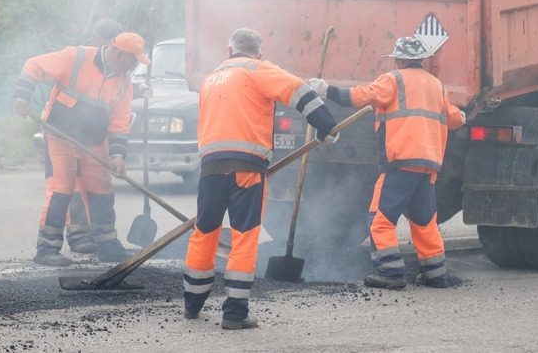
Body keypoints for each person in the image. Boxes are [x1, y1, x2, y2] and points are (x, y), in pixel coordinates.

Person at [182, 27, 339, 330]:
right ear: (259, 52)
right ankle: (235, 313)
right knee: (244, 235)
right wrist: (326, 126)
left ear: (229, 51)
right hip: (247, 169)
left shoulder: (210, 79)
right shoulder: (258, 69)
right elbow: (300, 92)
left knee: (205, 232)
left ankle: (192, 302)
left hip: (211, 168)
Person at [309, 36, 466, 289]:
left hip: (401, 161)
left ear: (399, 59)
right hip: (428, 165)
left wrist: (326, 90)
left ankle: (390, 273)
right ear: (421, 60)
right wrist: (463, 116)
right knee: (424, 221)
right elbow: (454, 118)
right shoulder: (436, 85)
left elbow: (360, 96)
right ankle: (435, 274)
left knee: (379, 220)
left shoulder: (393, 80)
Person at [14, 31, 149, 267]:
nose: (134, 65)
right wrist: (23, 97)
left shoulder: (125, 81)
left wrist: (117, 155)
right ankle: (46, 248)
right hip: (61, 136)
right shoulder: (75, 58)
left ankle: (106, 244)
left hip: (94, 142)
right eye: (132, 59)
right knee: (62, 190)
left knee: (102, 190)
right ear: (117, 53)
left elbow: (119, 121)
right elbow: (33, 65)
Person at [66, 18, 125, 255]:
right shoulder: (82, 60)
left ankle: (104, 238)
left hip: (95, 137)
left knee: (99, 186)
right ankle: (79, 236)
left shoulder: (118, 69)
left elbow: (113, 102)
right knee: (74, 188)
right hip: (68, 134)